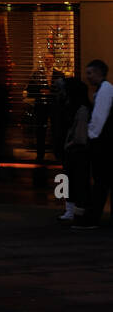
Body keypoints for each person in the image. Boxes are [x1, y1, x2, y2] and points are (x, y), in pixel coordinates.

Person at [74, 59, 113, 229]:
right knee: (103, 182)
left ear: (99, 73)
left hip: (103, 144)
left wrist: (89, 136)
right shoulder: (104, 89)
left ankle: (92, 218)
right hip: (104, 143)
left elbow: (99, 118)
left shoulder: (105, 90)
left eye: (90, 73)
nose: (87, 76)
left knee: (100, 181)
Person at [59, 77, 91, 223]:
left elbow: (80, 135)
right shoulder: (77, 106)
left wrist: (69, 144)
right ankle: (72, 210)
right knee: (72, 180)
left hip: (76, 151)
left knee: (74, 181)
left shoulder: (79, 109)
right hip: (74, 150)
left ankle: (74, 211)